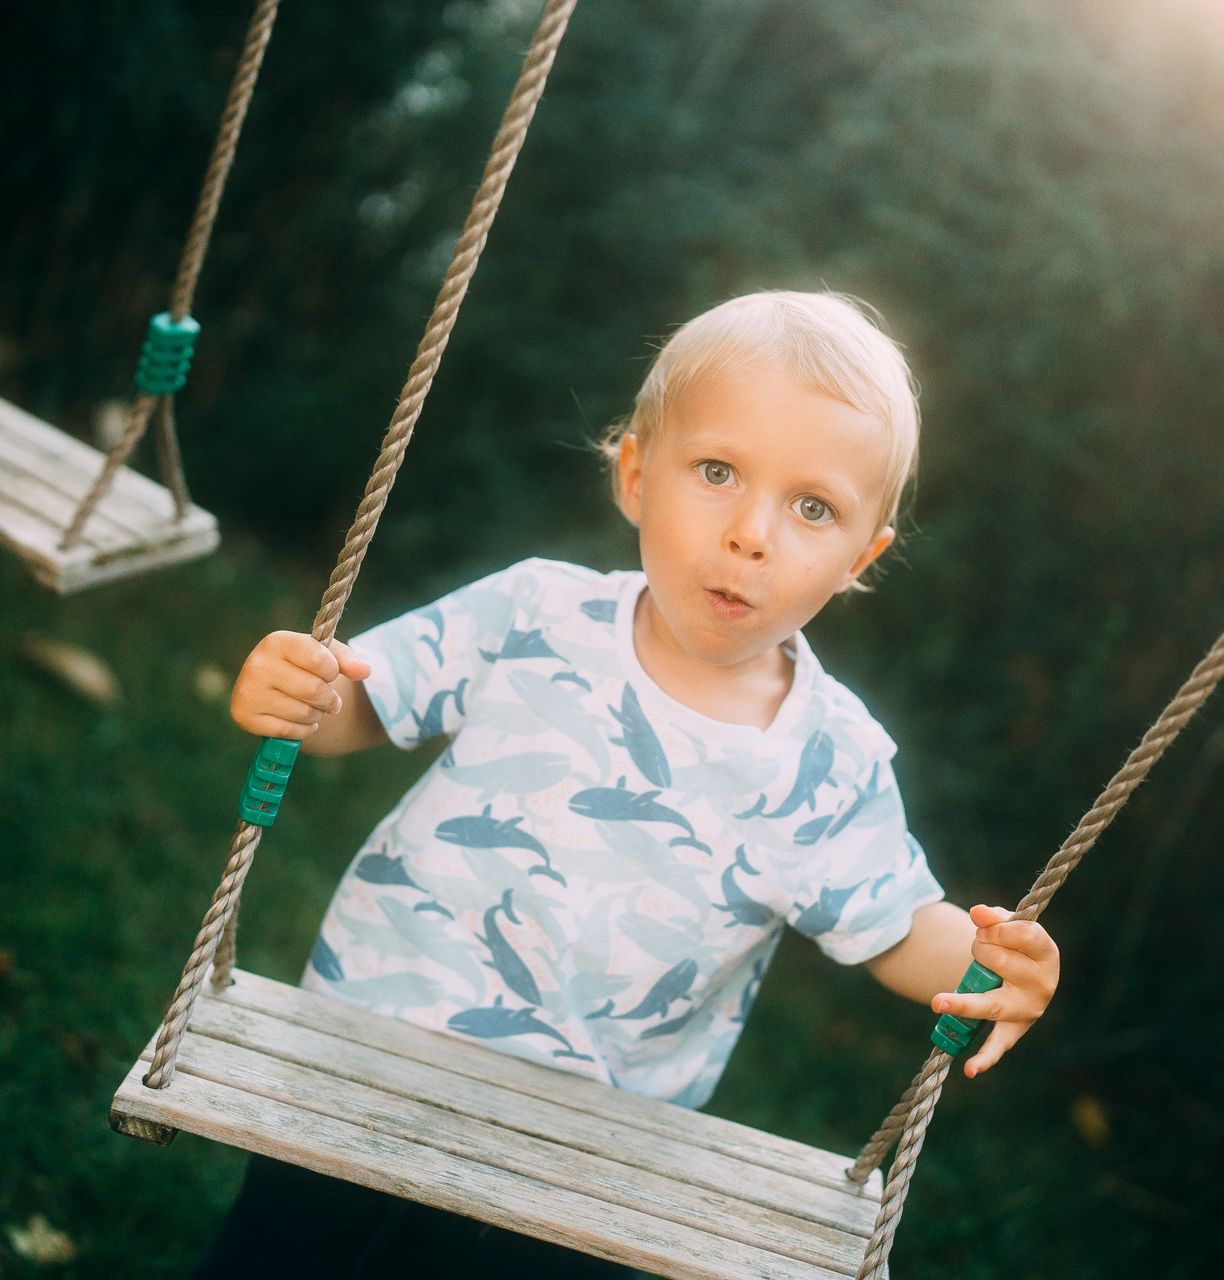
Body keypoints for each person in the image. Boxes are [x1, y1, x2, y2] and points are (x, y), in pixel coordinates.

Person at [195, 291, 1061, 1278]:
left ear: (860, 559)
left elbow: (899, 928)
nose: (752, 533)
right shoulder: (534, 611)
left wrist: (996, 965)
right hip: (369, 1048)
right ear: (637, 474)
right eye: (718, 471)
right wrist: (304, 698)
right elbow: (366, 704)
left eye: (811, 506)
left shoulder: (830, 757)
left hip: (585, 1152)